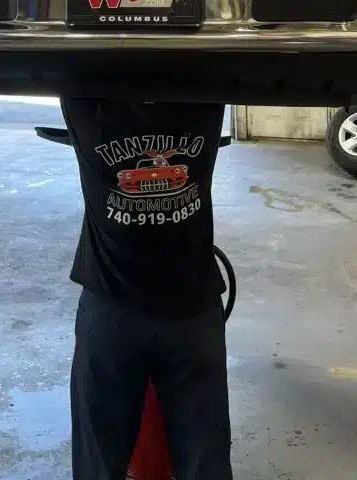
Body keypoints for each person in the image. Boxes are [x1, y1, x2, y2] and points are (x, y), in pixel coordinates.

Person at [61, 98, 233, 480]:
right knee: (206, 462)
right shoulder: (205, 93)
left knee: (97, 465)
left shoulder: (83, 97)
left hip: (112, 310)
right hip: (190, 312)